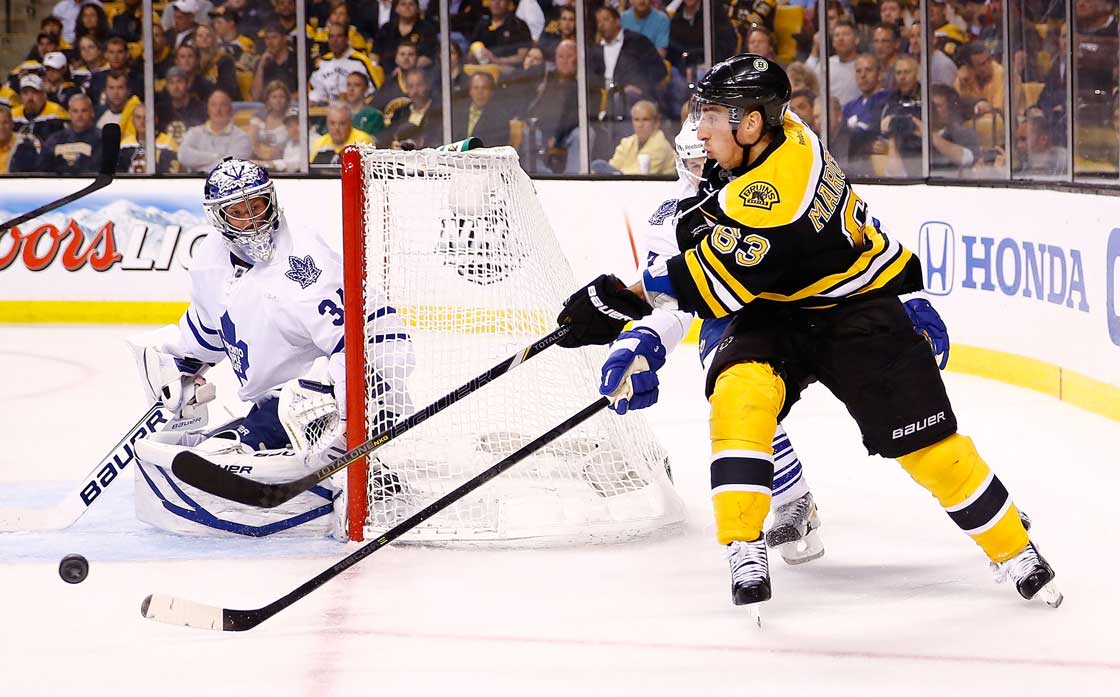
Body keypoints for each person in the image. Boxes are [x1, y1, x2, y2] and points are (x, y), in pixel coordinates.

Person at [555, 54, 1061, 610]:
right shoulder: (782, 135)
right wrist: (639, 333)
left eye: (713, 117)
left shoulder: (767, 197)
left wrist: (615, 304)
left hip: (852, 307)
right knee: (738, 398)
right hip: (771, 311)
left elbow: (697, 280)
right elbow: (690, 277)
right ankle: (748, 541)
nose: (701, 131)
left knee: (931, 450)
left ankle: (1015, 548)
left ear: (750, 124)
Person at [129, 158, 413, 537]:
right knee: (227, 446)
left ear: (271, 201)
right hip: (285, 396)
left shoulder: (303, 269)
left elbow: (355, 347)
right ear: (219, 219)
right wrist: (183, 364)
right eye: (238, 212)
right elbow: (212, 329)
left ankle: (365, 480)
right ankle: (323, 464)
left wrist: (348, 426)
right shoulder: (211, 260)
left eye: (257, 206)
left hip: (369, 372)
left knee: (277, 421)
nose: (253, 220)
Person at [308, 22, 383, 105]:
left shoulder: (361, 61)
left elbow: (375, 93)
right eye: (331, 37)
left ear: (347, 39)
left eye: (339, 36)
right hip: (326, 111)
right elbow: (314, 91)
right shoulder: (323, 62)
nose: (335, 40)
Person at [178, 89, 252, 172]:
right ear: (208, 109)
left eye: (223, 105)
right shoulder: (194, 133)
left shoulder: (242, 137)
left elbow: (231, 164)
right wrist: (216, 157)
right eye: (213, 105)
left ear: (230, 110)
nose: (218, 110)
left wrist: (202, 170)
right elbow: (183, 155)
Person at [598, 99, 676, 175]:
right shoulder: (626, 142)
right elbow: (612, 168)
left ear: (656, 123)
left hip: (656, 187)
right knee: (597, 165)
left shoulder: (660, 145)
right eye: (636, 120)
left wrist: (618, 173)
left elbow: (640, 176)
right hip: (628, 185)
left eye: (645, 119)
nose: (640, 125)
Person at [37, 92, 101, 174]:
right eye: (75, 111)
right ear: (69, 114)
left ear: (92, 112)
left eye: (84, 111)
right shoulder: (55, 139)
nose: (79, 115)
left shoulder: (102, 139)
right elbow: (41, 168)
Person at [116, 102, 180, 173]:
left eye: (146, 118)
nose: (142, 121)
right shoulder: (125, 144)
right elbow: (119, 173)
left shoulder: (168, 143)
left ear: (155, 120)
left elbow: (172, 174)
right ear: (132, 120)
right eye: (138, 117)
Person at [453, 71, 511, 147]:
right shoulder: (457, 112)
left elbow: (495, 148)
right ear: (470, 91)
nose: (480, 92)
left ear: (491, 92)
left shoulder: (500, 117)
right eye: (476, 88)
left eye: (485, 88)